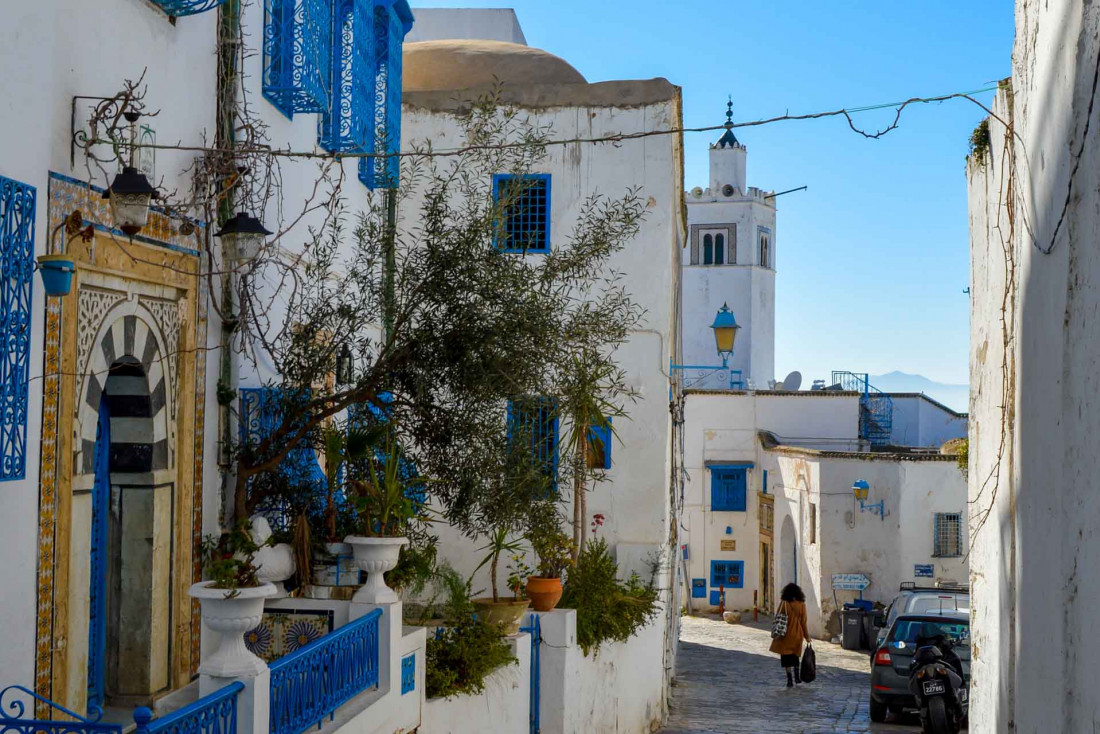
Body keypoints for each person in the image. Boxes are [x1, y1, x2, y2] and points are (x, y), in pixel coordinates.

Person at [769, 582, 812, 687]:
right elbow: (803, 622)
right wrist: (807, 637)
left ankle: (789, 679)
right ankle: (797, 676)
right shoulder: (801, 605)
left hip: (785, 634)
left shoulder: (784, 603)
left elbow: (778, 617)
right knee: (795, 654)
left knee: (785, 656)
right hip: (798, 634)